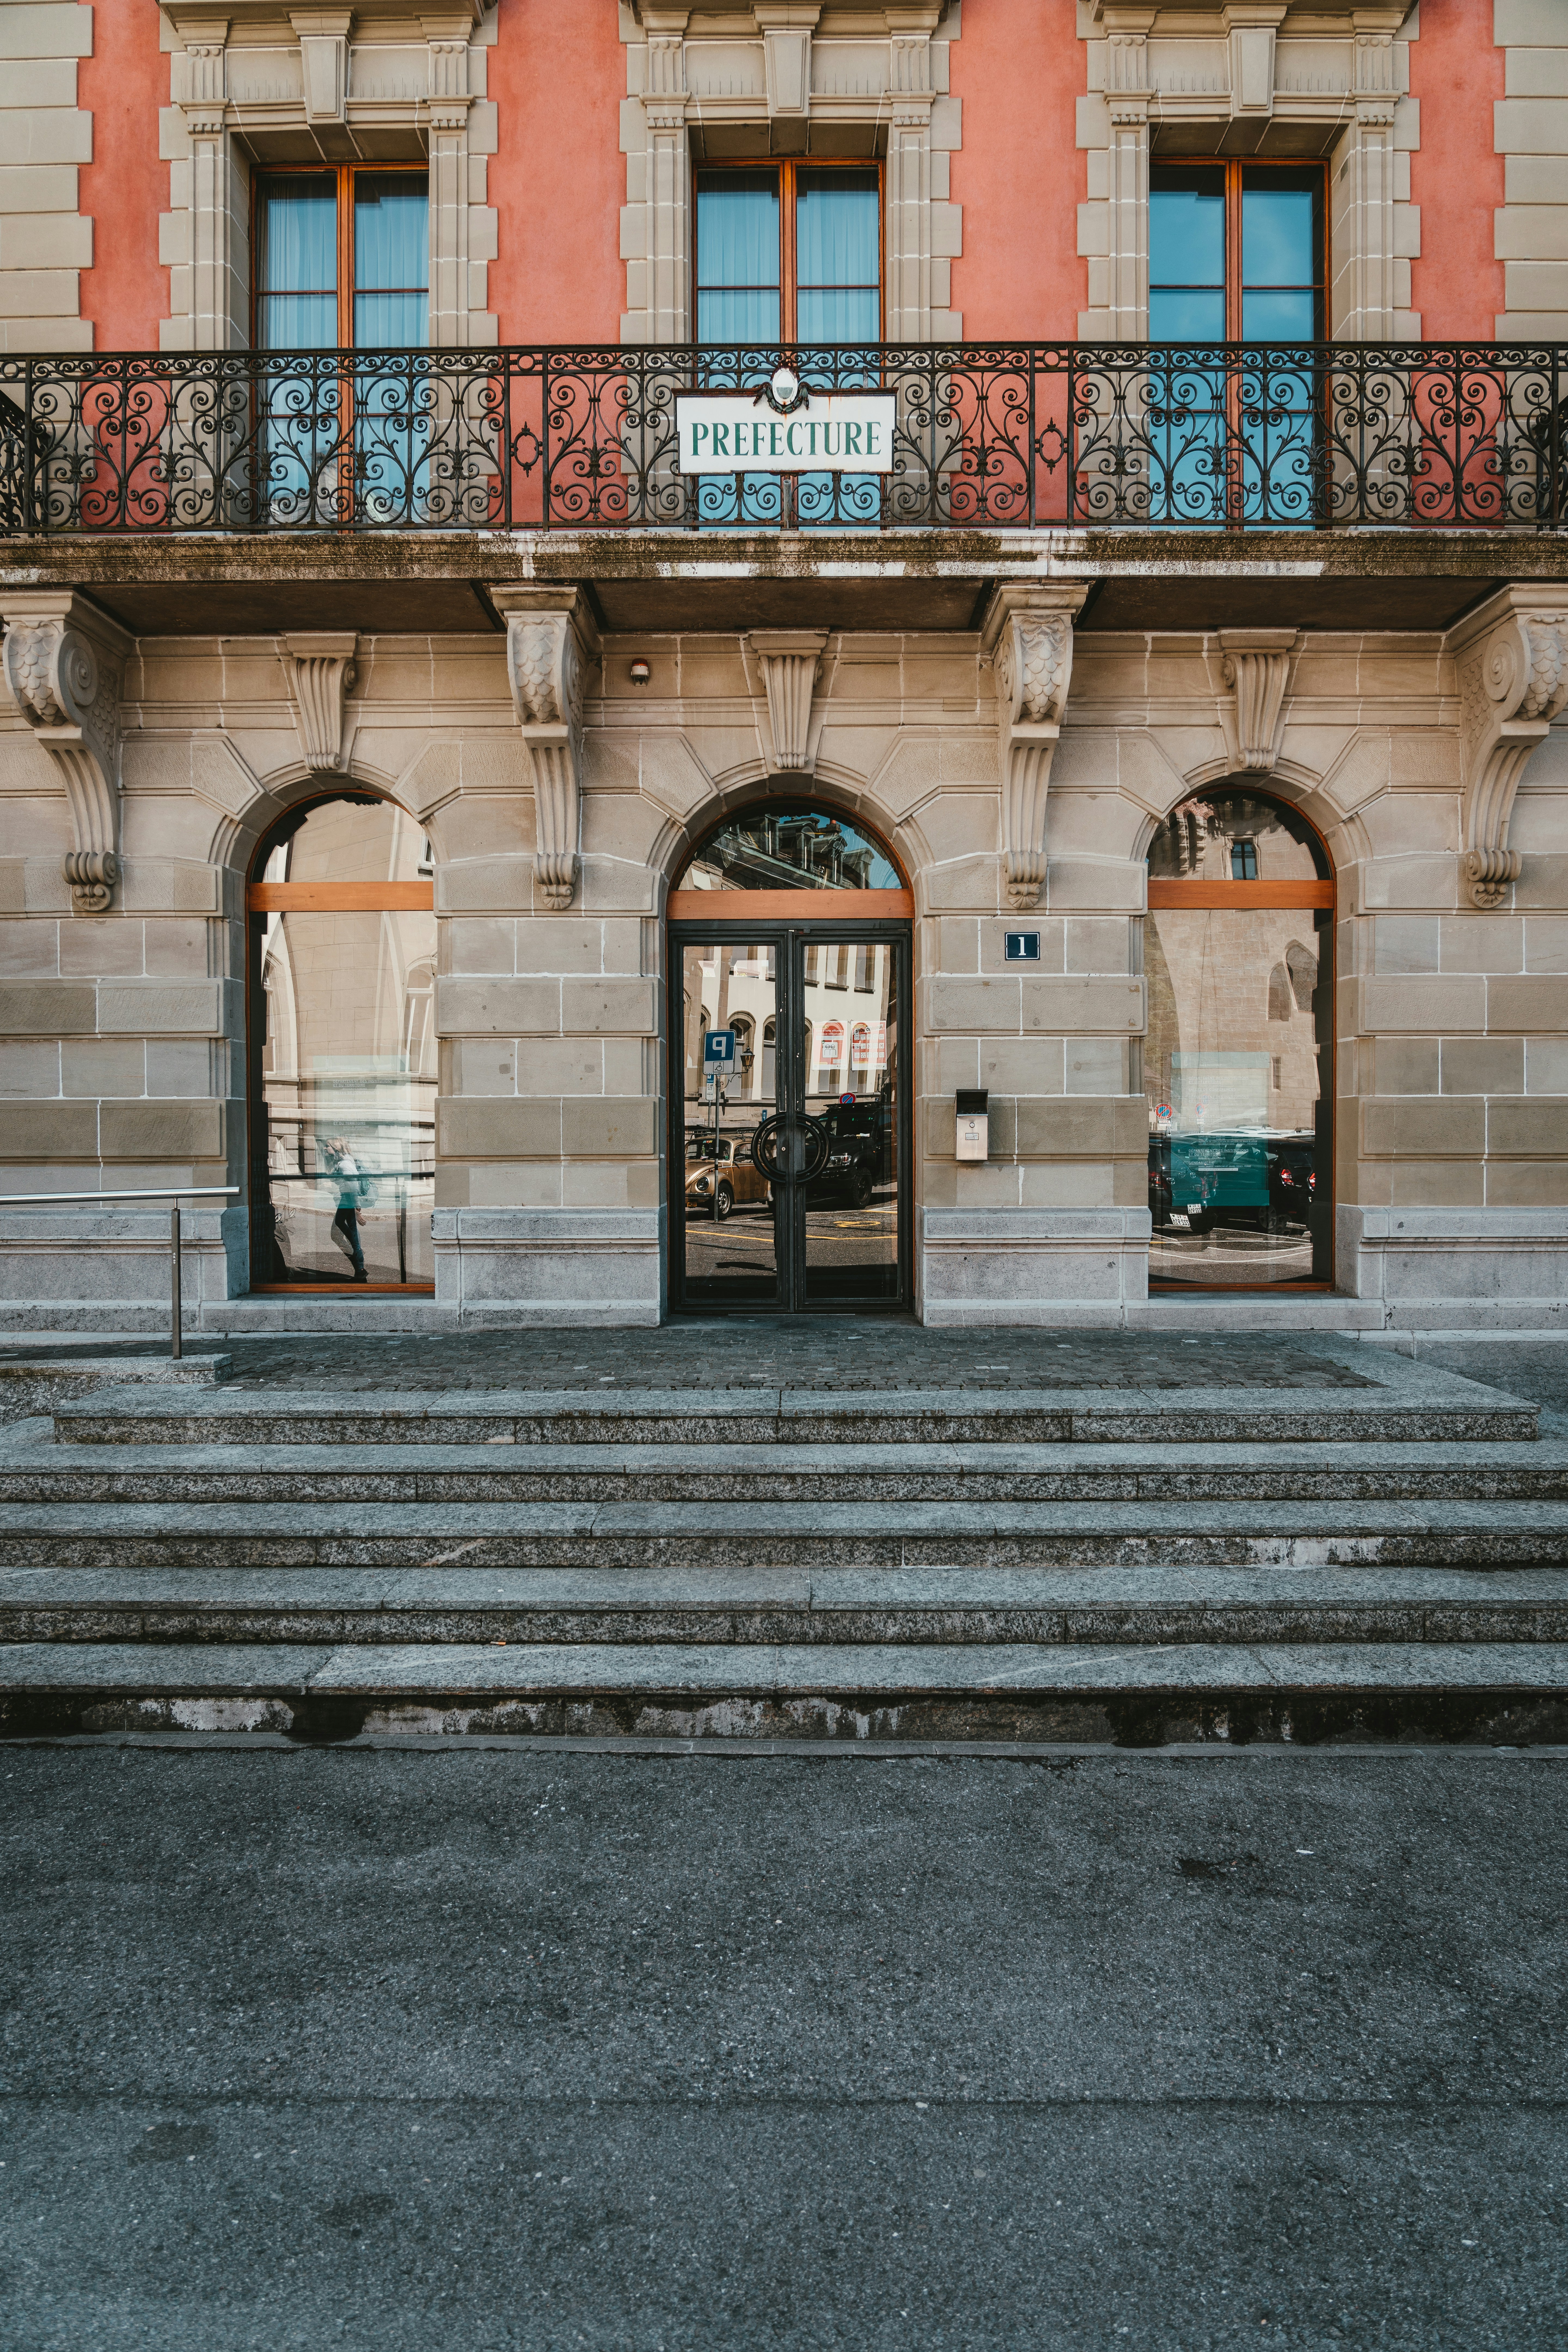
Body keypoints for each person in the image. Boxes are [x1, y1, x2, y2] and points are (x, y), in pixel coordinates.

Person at [325, 1137, 369, 1282]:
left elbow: (353, 1185)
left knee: (342, 1227)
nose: (325, 1149)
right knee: (351, 1231)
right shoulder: (342, 1162)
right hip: (347, 1197)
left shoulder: (345, 1164)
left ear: (336, 1148)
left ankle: (358, 1256)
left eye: (327, 1147)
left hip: (348, 1198)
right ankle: (359, 1267)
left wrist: (357, 1209)